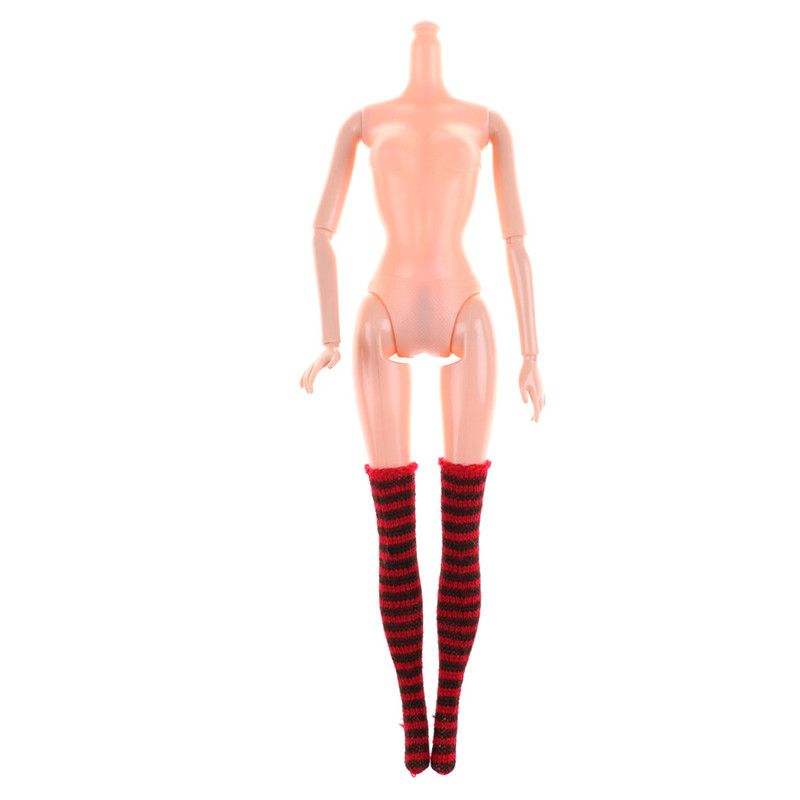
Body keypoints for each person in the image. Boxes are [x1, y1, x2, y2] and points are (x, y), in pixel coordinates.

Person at [299, 20, 545, 775]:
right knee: (395, 532)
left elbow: (515, 242)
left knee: (462, 534)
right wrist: (331, 336)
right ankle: (415, 711)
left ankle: (450, 713)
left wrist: (532, 353)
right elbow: (320, 231)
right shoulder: (363, 121)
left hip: (467, 305)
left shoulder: (489, 123)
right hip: (383, 307)